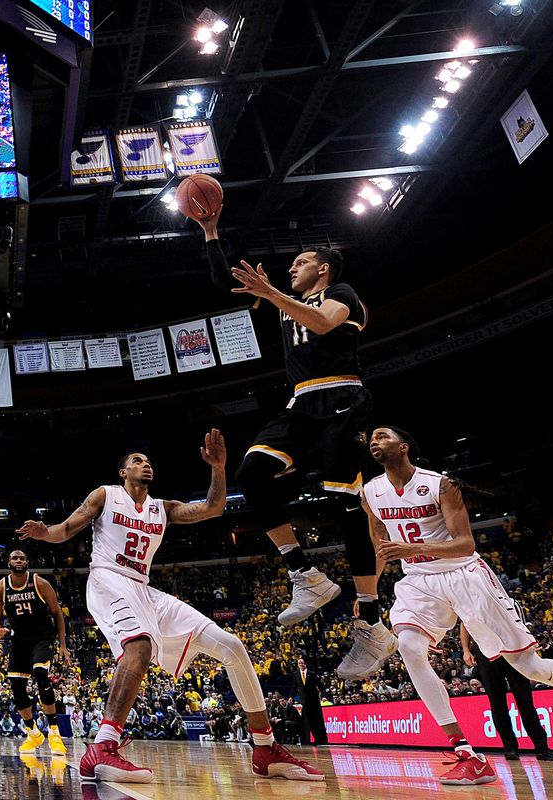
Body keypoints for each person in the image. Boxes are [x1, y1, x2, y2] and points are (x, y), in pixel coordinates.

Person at [18, 430, 323, 783]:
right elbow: (67, 527)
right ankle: (102, 746)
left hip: (145, 589)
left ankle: (265, 747)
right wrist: (45, 532)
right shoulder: (106, 494)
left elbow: (213, 508)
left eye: (148, 461)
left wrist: (219, 468)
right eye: (137, 461)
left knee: (233, 647)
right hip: (108, 580)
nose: (145, 464)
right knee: (139, 647)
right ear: (122, 472)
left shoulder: (162, 508)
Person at [364, 425, 553, 786]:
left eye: (382, 435)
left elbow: (464, 545)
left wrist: (408, 550)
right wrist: (366, 596)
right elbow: (378, 548)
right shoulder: (370, 492)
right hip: (418, 580)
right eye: (371, 437)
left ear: (403, 447)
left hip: (464, 574)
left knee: (530, 667)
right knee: (409, 647)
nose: (374, 440)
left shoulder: (440, 485)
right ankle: (466, 751)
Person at [198, 211, 394, 680]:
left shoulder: (339, 294)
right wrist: (210, 234)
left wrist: (274, 295)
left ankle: (370, 621)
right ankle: (305, 576)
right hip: (300, 404)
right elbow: (230, 283)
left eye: (301, 262)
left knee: (345, 505)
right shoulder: (285, 300)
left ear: (322, 269)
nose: (292, 268)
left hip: (343, 398)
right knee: (250, 475)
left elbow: (325, 324)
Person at [0, 549, 70, 757]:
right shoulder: (0, 588)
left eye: (22, 558)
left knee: (41, 675)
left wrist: (62, 645)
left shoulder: (40, 584)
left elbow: (57, 614)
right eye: (14, 558)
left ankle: (54, 733)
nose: (18, 561)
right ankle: (33, 732)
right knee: (16, 687)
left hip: (42, 638)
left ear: (27, 562)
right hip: (19, 641)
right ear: (8, 562)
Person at [460, 625, 553, 761]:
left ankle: (542, 748)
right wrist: (466, 649)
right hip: (484, 649)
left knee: (525, 700)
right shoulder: (468, 603)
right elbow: (465, 623)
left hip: (510, 645)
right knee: (496, 702)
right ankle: (509, 748)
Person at [291, 657, 326, 745]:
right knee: (307, 721)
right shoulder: (296, 674)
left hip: (314, 700)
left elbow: (320, 686)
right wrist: (291, 696)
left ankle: (320, 739)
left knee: (316, 720)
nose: (301, 665)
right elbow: (295, 687)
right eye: (299, 663)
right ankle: (306, 740)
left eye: (302, 663)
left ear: (305, 664)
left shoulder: (312, 674)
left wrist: (323, 696)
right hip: (304, 701)